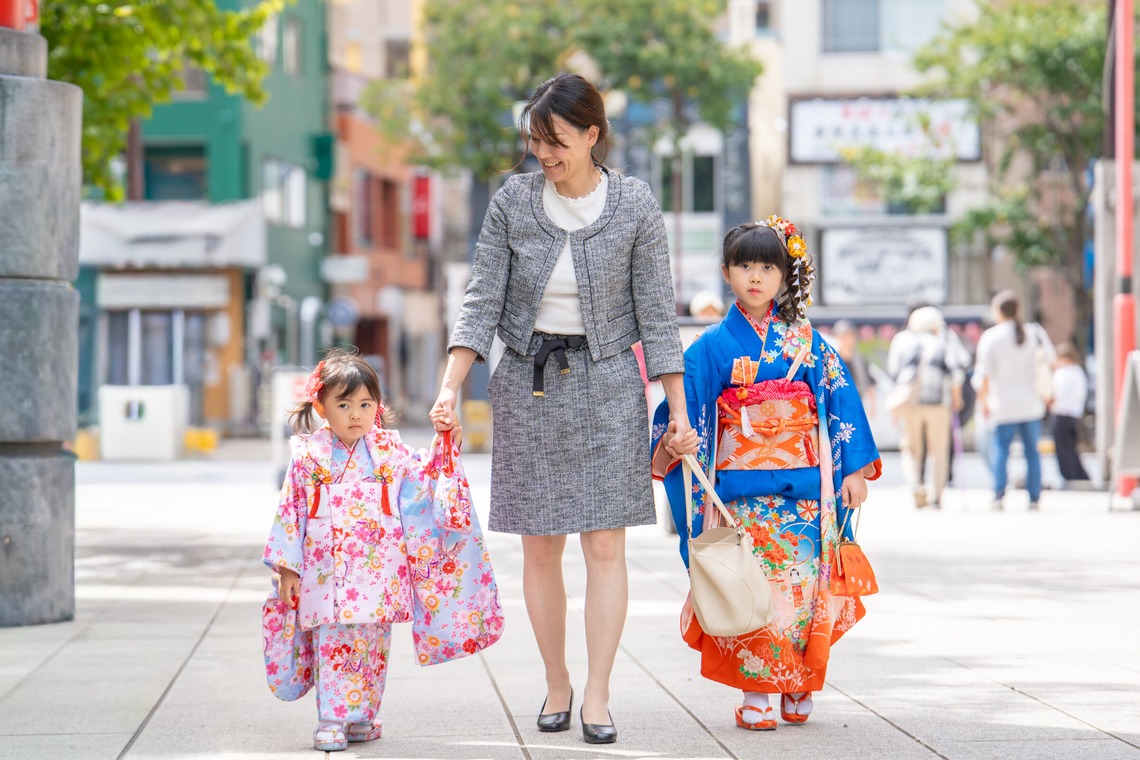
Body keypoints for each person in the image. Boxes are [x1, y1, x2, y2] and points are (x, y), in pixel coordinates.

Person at [428, 73, 698, 745]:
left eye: (555, 141)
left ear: (591, 135)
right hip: (530, 384)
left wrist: (677, 410)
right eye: (535, 140)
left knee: (605, 544)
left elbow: (657, 315)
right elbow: (482, 298)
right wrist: (449, 386)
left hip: (609, 385)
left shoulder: (634, 204)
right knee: (540, 544)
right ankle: (557, 681)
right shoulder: (513, 202)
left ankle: (598, 693)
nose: (542, 153)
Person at [651, 216, 881, 731]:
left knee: (801, 588)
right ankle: (757, 691)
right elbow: (683, 410)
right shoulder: (709, 346)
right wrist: (677, 438)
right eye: (744, 266)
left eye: (768, 268)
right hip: (739, 497)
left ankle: (799, 683)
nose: (756, 277)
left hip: (805, 492)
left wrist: (853, 469)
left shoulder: (809, 342)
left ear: (784, 275)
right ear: (726, 272)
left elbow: (840, 403)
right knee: (751, 588)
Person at [264, 349, 503, 752]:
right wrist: (288, 568)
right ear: (321, 407)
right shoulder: (308, 456)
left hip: (379, 571)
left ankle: (362, 715)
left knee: (374, 645)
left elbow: (424, 478)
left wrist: (446, 444)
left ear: (378, 406)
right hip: (327, 570)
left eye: (365, 404)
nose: (355, 414)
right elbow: (292, 510)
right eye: (344, 405)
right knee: (334, 642)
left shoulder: (389, 451)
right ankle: (332, 718)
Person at [973, 291, 1056, 510]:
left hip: (1003, 405)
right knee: (1032, 452)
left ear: (997, 311)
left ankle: (999, 494)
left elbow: (983, 375)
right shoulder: (1034, 333)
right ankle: (1034, 497)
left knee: (1001, 450)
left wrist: (983, 402)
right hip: (1031, 404)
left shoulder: (992, 336)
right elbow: (1051, 361)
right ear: (1018, 310)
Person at [889, 306, 966, 509]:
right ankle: (937, 496)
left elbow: (895, 373)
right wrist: (957, 397)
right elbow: (957, 373)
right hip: (938, 404)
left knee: (911, 448)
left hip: (911, 404)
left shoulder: (904, 342)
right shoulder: (943, 343)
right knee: (938, 451)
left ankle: (915, 484)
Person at [1051, 342, 1092, 486]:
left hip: (1061, 415)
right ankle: (1081, 478)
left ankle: (1071, 478)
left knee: (1064, 451)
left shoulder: (1063, 374)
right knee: (1071, 450)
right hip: (1074, 415)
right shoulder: (1079, 373)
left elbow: (1055, 394)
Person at [831, 319, 876, 418]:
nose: (846, 340)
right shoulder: (832, 359)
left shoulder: (860, 359)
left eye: (849, 336)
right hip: (837, 404)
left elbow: (869, 382)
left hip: (856, 402)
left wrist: (872, 405)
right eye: (843, 337)